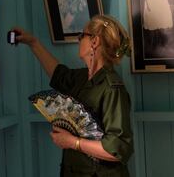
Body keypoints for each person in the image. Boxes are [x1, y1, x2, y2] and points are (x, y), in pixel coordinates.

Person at [13, 15, 134, 177]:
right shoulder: (81, 78)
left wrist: (72, 142)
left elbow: (117, 150)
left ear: (94, 42)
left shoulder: (112, 89)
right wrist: (33, 43)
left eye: (81, 36)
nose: (78, 40)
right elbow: (58, 74)